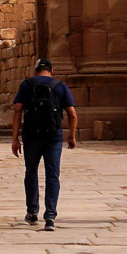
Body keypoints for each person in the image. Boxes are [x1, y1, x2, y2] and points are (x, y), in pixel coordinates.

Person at [11, 59, 77, 230]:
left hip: (31, 136)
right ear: (51, 71)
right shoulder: (60, 86)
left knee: (31, 172)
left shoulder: (27, 85)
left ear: (35, 71)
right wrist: (72, 136)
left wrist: (15, 138)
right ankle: (50, 217)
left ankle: (32, 213)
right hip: (53, 137)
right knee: (52, 175)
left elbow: (17, 111)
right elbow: (72, 114)